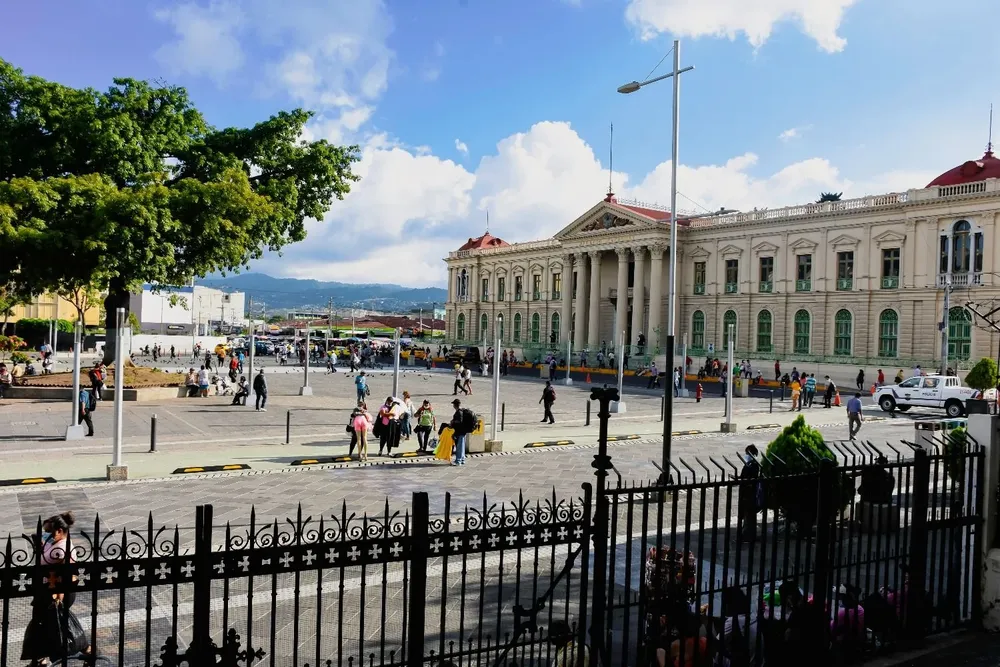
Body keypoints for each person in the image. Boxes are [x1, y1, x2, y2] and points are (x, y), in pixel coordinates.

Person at [21, 512, 92, 664]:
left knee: (51, 624)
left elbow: (63, 576)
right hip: (49, 590)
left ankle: (84, 649)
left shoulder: (61, 549)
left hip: (56, 592)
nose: (47, 535)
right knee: (49, 624)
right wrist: (41, 542)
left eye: (49, 532)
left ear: (59, 530)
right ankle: (42, 659)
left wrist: (58, 597)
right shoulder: (55, 543)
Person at [737, 445, 761, 542]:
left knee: (749, 514)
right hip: (745, 492)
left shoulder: (754, 465)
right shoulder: (748, 464)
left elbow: (751, 479)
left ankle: (749, 535)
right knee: (745, 514)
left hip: (749, 493)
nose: (746, 455)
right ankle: (745, 533)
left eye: (748, 453)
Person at [449, 398, 472, 466]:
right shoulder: (462, 411)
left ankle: (458, 461)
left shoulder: (459, 412)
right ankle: (462, 459)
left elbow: (460, 421)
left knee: (459, 446)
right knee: (461, 446)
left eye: (453, 404)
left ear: (455, 405)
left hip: (459, 431)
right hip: (462, 431)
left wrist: (453, 422)